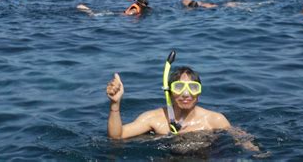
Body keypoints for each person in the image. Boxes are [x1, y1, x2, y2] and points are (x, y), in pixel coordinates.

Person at [106, 62, 260, 152]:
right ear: (170, 92)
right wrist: (115, 103)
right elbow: (117, 136)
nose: (186, 94)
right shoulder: (154, 119)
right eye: (179, 87)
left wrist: (255, 152)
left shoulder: (214, 120)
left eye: (192, 88)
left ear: (199, 93)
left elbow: (241, 137)